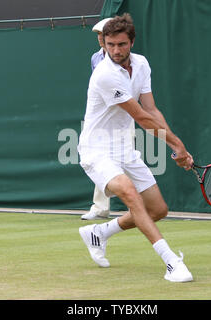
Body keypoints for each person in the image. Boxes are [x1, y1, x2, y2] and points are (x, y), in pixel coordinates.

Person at [77, 13, 194, 282]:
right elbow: (141, 117)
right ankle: (172, 263)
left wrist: (178, 149)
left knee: (158, 210)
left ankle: (100, 233)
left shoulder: (141, 64)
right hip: (96, 151)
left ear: (132, 42)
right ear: (103, 43)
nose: (115, 50)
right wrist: (177, 144)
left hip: (124, 150)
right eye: (110, 44)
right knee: (130, 194)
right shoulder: (105, 74)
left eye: (121, 44)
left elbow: (152, 109)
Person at [81, 18, 113, 221]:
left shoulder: (127, 60)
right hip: (99, 120)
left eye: (104, 33)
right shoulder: (95, 58)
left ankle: (141, 204)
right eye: (98, 34)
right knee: (98, 160)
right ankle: (101, 208)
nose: (100, 38)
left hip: (120, 118)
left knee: (125, 162)